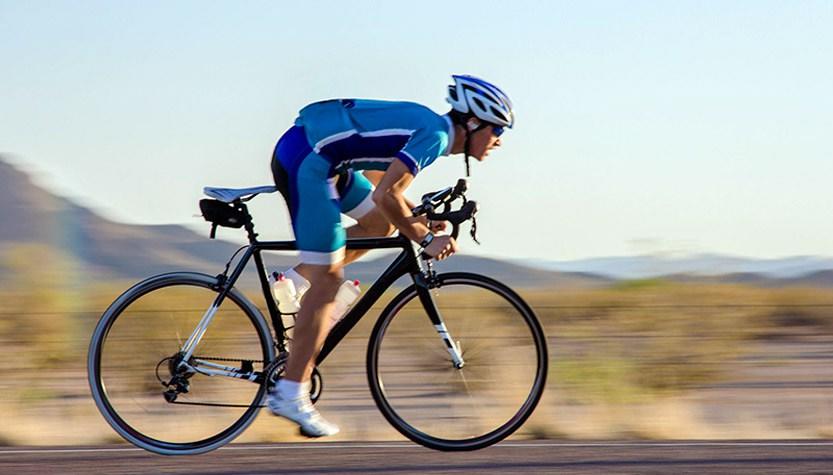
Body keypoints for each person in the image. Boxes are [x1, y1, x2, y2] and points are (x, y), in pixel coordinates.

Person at [267, 75, 514, 437]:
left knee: (380, 226)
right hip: (309, 160)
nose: (499, 142)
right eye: (497, 131)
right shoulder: (437, 136)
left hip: (324, 157)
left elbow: (380, 185)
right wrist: (424, 236)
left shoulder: (431, 127)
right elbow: (386, 192)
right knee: (330, 282)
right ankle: (290, 393)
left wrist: (420, 220)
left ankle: (295, 282)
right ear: (473, 124)